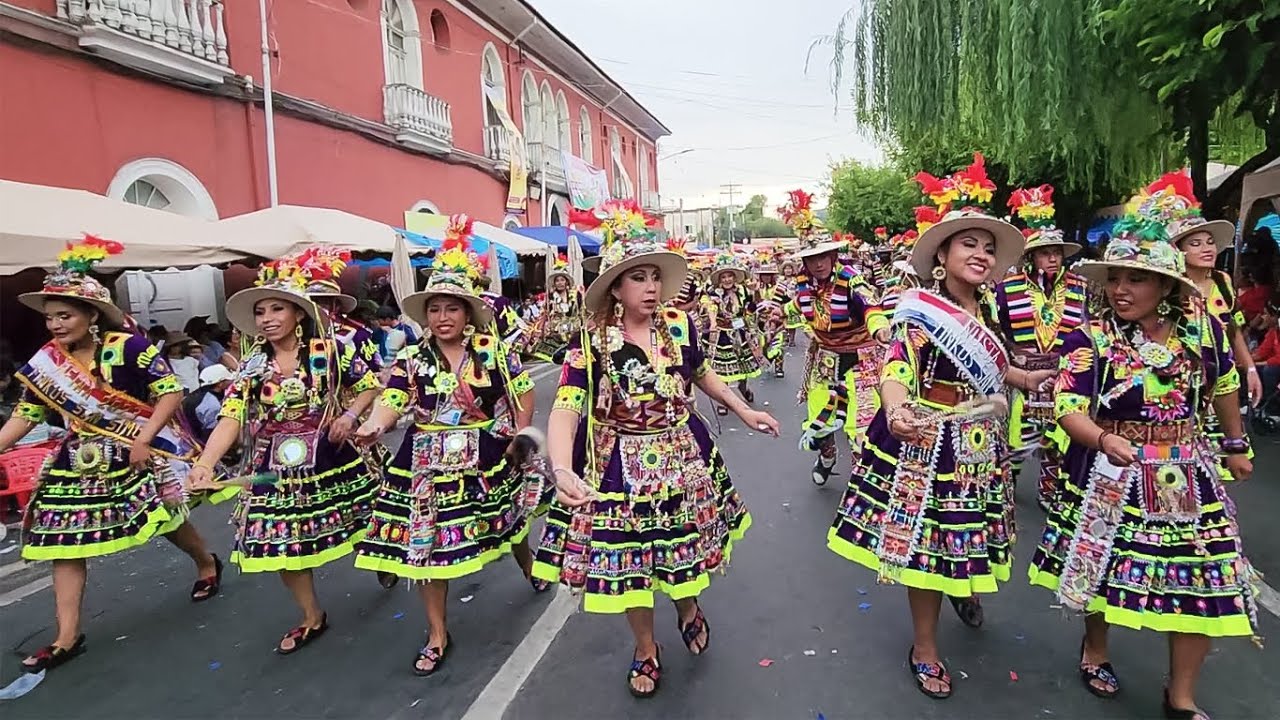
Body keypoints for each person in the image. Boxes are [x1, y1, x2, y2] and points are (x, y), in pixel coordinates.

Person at [1027, 185, 1258, 719]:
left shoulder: (1203, 332)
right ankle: (1096, 648)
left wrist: (1236, 442)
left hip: (1183, 472)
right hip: (1110, 470)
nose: (1121, 289)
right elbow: (1068, 407)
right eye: (1116, 278)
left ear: (1165, 285)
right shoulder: (1089, 339)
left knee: (1206, 577)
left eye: (1136, 278)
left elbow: (1222, 385)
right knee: (1102, 569)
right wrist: (1105, 439)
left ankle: (1180, 697)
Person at [532, 200, 780, 698]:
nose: (650, 286)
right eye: (637, 277)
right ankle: (646, 647)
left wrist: (744, 409)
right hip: (619, 464)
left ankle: (687, 606)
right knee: (630, 568)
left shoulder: (681, 327)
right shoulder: (591, 340)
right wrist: (561, 467)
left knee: (684, 549)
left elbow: (701, 374)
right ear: (616, 289)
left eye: (654, 276)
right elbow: (566, 405)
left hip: (682, 457)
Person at [828, 162, 1055, 700]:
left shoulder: (992, 310)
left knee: (970, 533)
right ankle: (925, 647)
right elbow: (896, 367)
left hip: (983, 441)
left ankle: (963, 588)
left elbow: (993, 370)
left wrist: (1024, 377)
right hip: (933, 443)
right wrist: (897, 408)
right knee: (928, 549)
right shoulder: (918, 314)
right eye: (967, 245)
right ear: (941, 259)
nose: (981, 255)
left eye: (987, 248)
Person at [0, 237, 224, 673]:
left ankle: (205, 561)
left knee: (165, 522)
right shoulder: (47, 362)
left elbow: (170, 392)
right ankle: (67, 636)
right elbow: (28, 412)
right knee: (60, 544)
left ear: (91, 316)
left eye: (65, 316)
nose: (56, 326)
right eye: (50, 318)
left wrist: (145, 438)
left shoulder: (129, 347)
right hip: (77, 457)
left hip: (134, 449)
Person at [352, 233, 546, 675]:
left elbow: (523, 393)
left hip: (485, 452)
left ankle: (528, 562)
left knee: (508, 522)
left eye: (452, 308)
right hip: (423, 462)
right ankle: (438, 632)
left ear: (468, 312)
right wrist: (374, 424)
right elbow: (394, 398)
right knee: (425, 546)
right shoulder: (412, 358)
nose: (442, 317)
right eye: (435, 309)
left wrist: (519, 432)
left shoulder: (493, 351)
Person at [186, 248, 383, 655]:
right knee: (280, 544)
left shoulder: (330, 350)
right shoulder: (253, 365)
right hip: (274, 463)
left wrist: (348, 416)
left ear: (298, 313)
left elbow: (368, 387)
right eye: (260, 312)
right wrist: (205, 462)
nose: (268, 318)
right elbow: (232, 416)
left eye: (278, 308)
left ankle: (384, 560)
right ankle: (312, 616)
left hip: (332, 455)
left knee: (367, 523)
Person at [774, 188, 889, 485]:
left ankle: (863, 483)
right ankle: (827, 456)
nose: (818, 263)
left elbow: (870, 304)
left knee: (860, 426)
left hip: (861, 358)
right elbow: (800, 308)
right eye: (811, 259)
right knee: (820, 422)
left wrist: (879, 326)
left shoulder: (852, 279)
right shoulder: (805, 285)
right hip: (825, 358)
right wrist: (780, 314)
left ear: (834, 254)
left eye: (823, 256)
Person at [996, 184, 1090, 510]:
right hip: (1023, 370)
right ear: (1031, 256)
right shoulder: (1008, 289)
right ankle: (1005, 486)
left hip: (1064, 372)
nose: (1052, 257)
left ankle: (1048, 489)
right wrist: (1013, 358)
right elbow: (999, 327)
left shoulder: (1081, 286)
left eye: (1057, 252)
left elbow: (1090, 329)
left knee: (1058, 436)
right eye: (1045, 252)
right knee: (1017, 439)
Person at [705, 251, 763, 414]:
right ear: (719, 279)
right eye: (723, 277)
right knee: (721, 369)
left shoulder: (743, 291)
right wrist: (714, 322)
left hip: (739, 331)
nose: (727, 280)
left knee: (742, 368)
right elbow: (711, 308)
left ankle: (744, 389)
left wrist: (756, 291)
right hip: (722, 332)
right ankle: (723, 402)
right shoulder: (713, 292)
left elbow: (752, 307)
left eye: (730, 276)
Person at [528, 255, 582, 363]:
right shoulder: (551, 297)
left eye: (562, 280)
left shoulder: (576, 295)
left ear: (566, 282)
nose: (560, 283)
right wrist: (539, 331)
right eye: (557, 281)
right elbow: (544, 315)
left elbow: (582, 312)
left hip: (574, 333)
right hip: (556, 335)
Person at [183, 364, 234, 443]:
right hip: (201, 443)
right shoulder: (212, 405)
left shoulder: (193, 395)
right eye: (228, 380)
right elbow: (212, 433)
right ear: (220, 384)